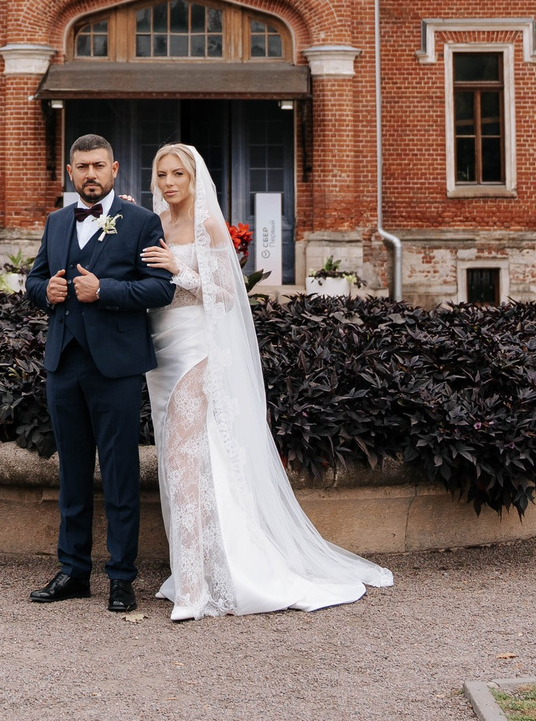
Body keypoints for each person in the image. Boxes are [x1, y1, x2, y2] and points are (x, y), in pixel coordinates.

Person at [138, 142, 394, 619]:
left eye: (177, 174)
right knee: (186, 461)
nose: (169, 182)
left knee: (183, 458)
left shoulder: (208, 225)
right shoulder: (156, 226)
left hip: (197, 349)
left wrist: (180, 270)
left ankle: (197, 589)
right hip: (160, 352)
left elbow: (226, 295)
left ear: (194, 179)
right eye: (161, 174)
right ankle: (198, 569)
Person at [23, 133, 174, 613]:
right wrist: (43, 291)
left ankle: (122, 577)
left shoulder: (142, 223)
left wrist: (103, 290)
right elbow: (34, 278)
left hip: (117, 368)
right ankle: (73, 571)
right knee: (72, 472)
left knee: (120, 472)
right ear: (71, 173)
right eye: (81, 166)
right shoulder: (55, 222)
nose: (90, 174)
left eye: (98, 166)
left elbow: (160, 288)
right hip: (63, 363)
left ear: (114, 170)